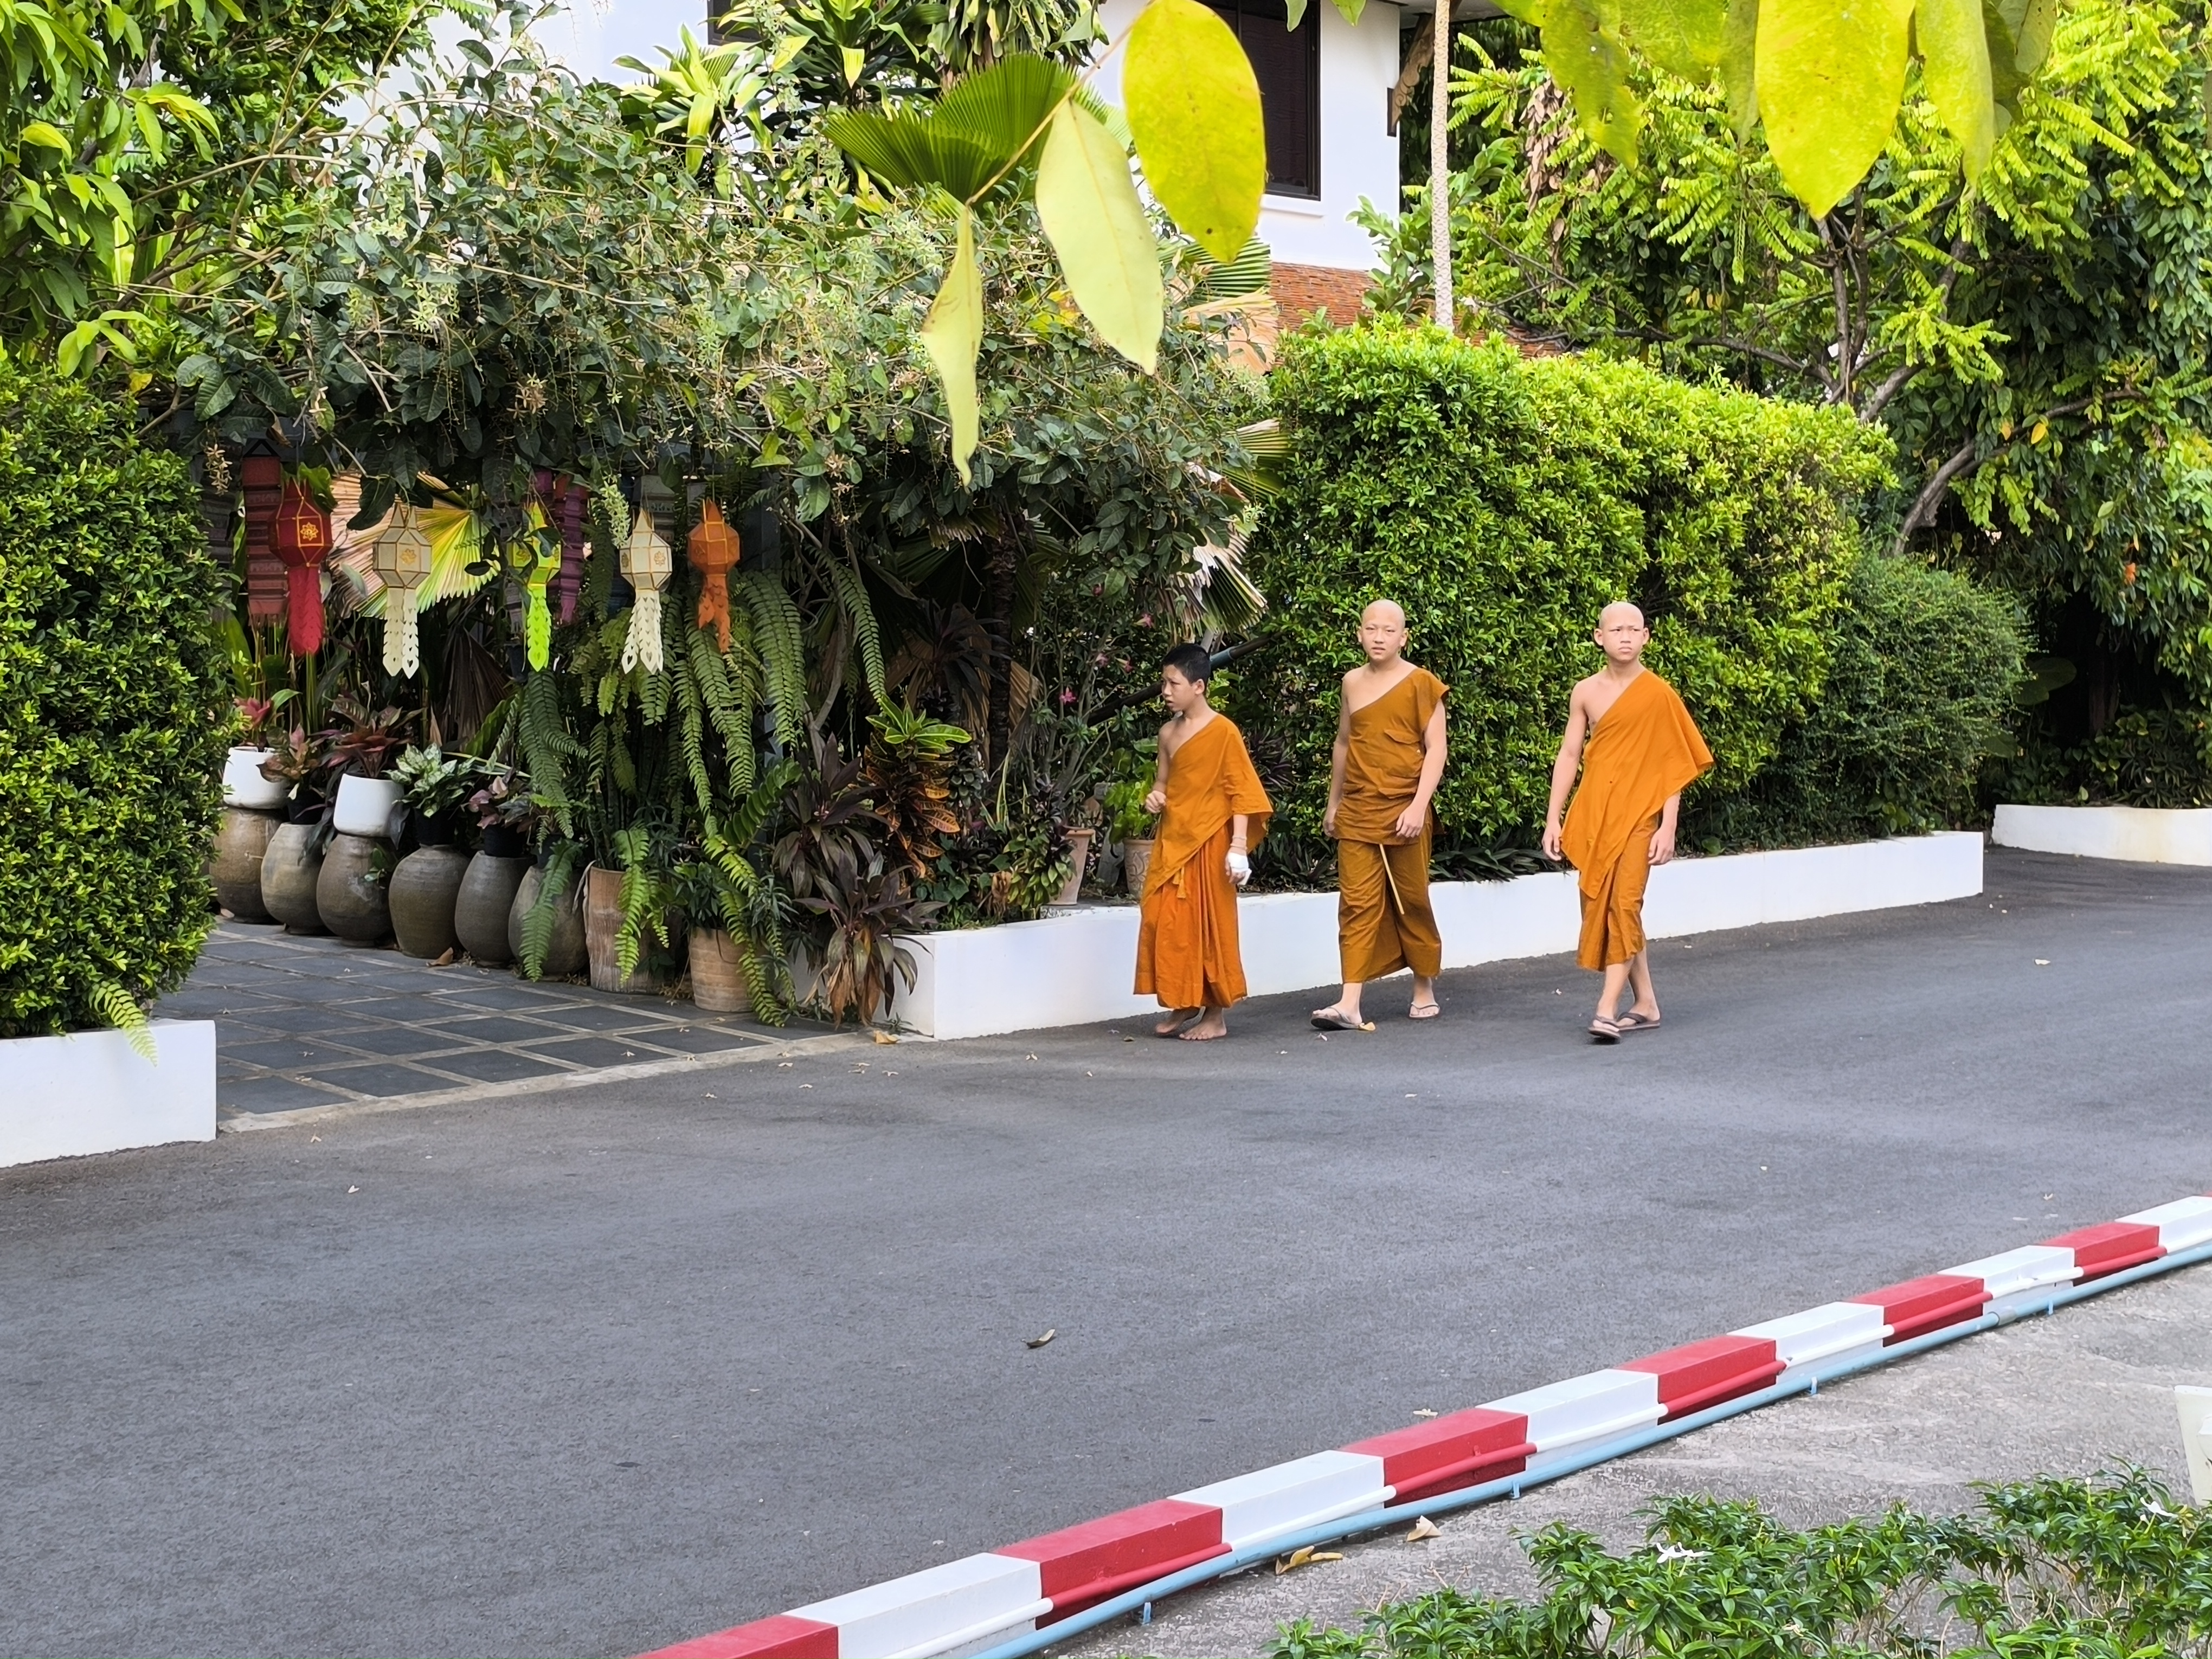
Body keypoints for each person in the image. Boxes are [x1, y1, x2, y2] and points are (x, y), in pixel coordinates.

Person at [1540, 602, 1714, 1043]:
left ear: (1646, 637)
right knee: (1602, 904)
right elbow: (1569, 755)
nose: (1625, 637)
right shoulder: (1585, 692)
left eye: (1633, 630)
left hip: (1640, 815)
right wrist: (1553, 818)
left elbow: (1673, 764)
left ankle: (1606, 1008)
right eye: (1616, 630)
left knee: (1625, 905)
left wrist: (1668, 826)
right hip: (1595, 812)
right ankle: (1647, 1002)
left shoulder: (1658, 694)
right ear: (1599, 637)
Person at [1311, 600, 1448, 1030]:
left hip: (1405, 805)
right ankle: (1350, 1001)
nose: (1379, 637)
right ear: (1359, 634)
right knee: (1355, 902)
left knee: (1412, 898)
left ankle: (1423, 985)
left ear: (1403, 638)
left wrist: (1418, 805)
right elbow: (1344, 743)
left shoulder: (1422, 683)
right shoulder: (1351, 682)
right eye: (1371, 629)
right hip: (1358, 807)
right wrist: (1334, 802)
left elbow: (1437, 749)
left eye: (1389, 631)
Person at [1134, 642, 1273, 1041]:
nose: (1165, 691)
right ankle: (1184, 999)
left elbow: (1241, 791)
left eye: (1173, 683)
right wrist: (1154, 798)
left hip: (1211, 841)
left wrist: (1238, 846)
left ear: (1199, 686)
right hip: (1174, 839)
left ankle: (1214, 1015)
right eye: (1163, 683)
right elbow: (1163, 783)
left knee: (1210, 926)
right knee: (1163, 920)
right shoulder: (1167, 733)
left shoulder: (1223, 731)